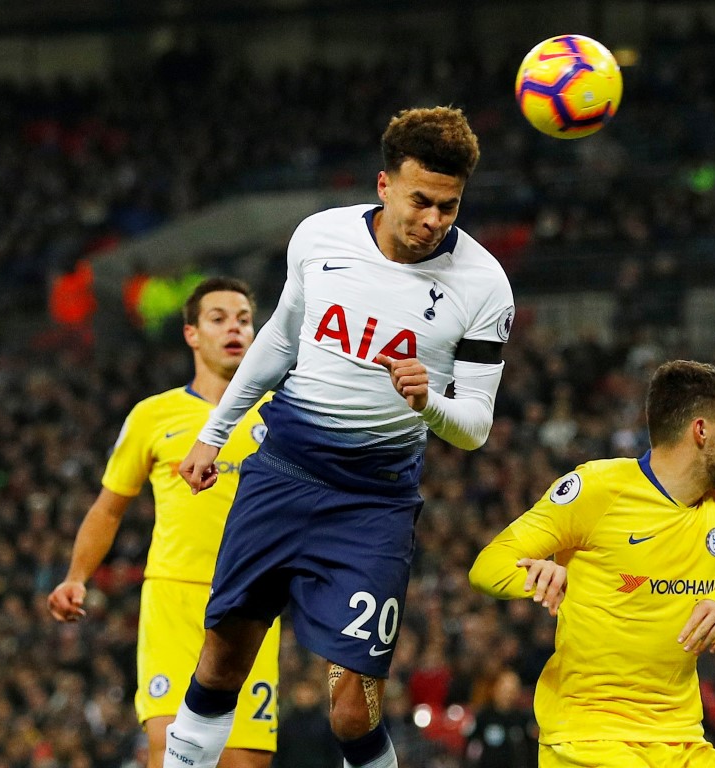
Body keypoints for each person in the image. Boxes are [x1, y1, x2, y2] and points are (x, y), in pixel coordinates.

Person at [162, 106, 515, 768]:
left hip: (371, 504)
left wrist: (427, 402)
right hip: (283, 473)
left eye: (449, 206)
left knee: (355, 709)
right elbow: (278, 339)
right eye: (421, 201)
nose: (434, 220)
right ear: (384, 186)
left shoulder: (484, 284)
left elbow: (474, 427)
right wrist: (215, 433)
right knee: (221, 658)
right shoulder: (320, 238)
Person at [469, 360, 715, 767]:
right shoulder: (596, 489)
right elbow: (488, 565)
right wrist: (534, 574)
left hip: (681, 741)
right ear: (701, 430)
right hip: (590, 737)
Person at [48, 277, 280, 768]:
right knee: (171, 750)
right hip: (173, 599)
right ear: (192, 334)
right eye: (218, 319)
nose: (233, 328)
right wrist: (76, 577)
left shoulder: (281, 414)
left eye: (243, 319)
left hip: (253, 599)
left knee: (243, 761)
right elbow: (109, 507)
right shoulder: (153, 415)